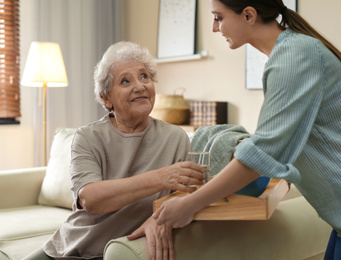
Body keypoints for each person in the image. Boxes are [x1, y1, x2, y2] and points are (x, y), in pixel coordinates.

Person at [151, 0, 341, 259]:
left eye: (218, 17)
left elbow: (264, 151)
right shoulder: (291, 52)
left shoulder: (294, 56)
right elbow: (278, 143)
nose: (214, 28)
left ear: (249, 15)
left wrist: (189, 204)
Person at [23, 41, 205, 260]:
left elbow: (185, 195)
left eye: (144, 77)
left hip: (122, 250)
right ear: (106, 98)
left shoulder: (175, 138)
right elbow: (91, 199)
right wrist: (160, 178)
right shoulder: (87, 137)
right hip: (73, 247)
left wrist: (157, 219)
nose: (140, 86)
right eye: (125, 81)